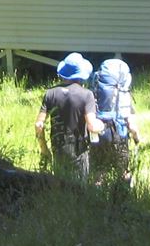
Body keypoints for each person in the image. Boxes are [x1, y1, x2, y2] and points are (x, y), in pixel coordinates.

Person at [35, 52, 104, 181]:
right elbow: (92, 126)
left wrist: (44, 149)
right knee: (80, 188)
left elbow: (39, 125)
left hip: (58, 147)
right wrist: (101, 124)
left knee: (60, 184)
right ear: (81, 76)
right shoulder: (86, 95)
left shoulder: (50, 93)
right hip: (79, 149)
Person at [91, 58, 141, 186]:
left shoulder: (96, 91)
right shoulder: (124, 95)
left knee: (100, 171)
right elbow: (132, 125)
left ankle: (96, 197)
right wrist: (136, 138)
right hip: (119, 134)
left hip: (99, 134)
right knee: (123, 171)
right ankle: (124, 197)